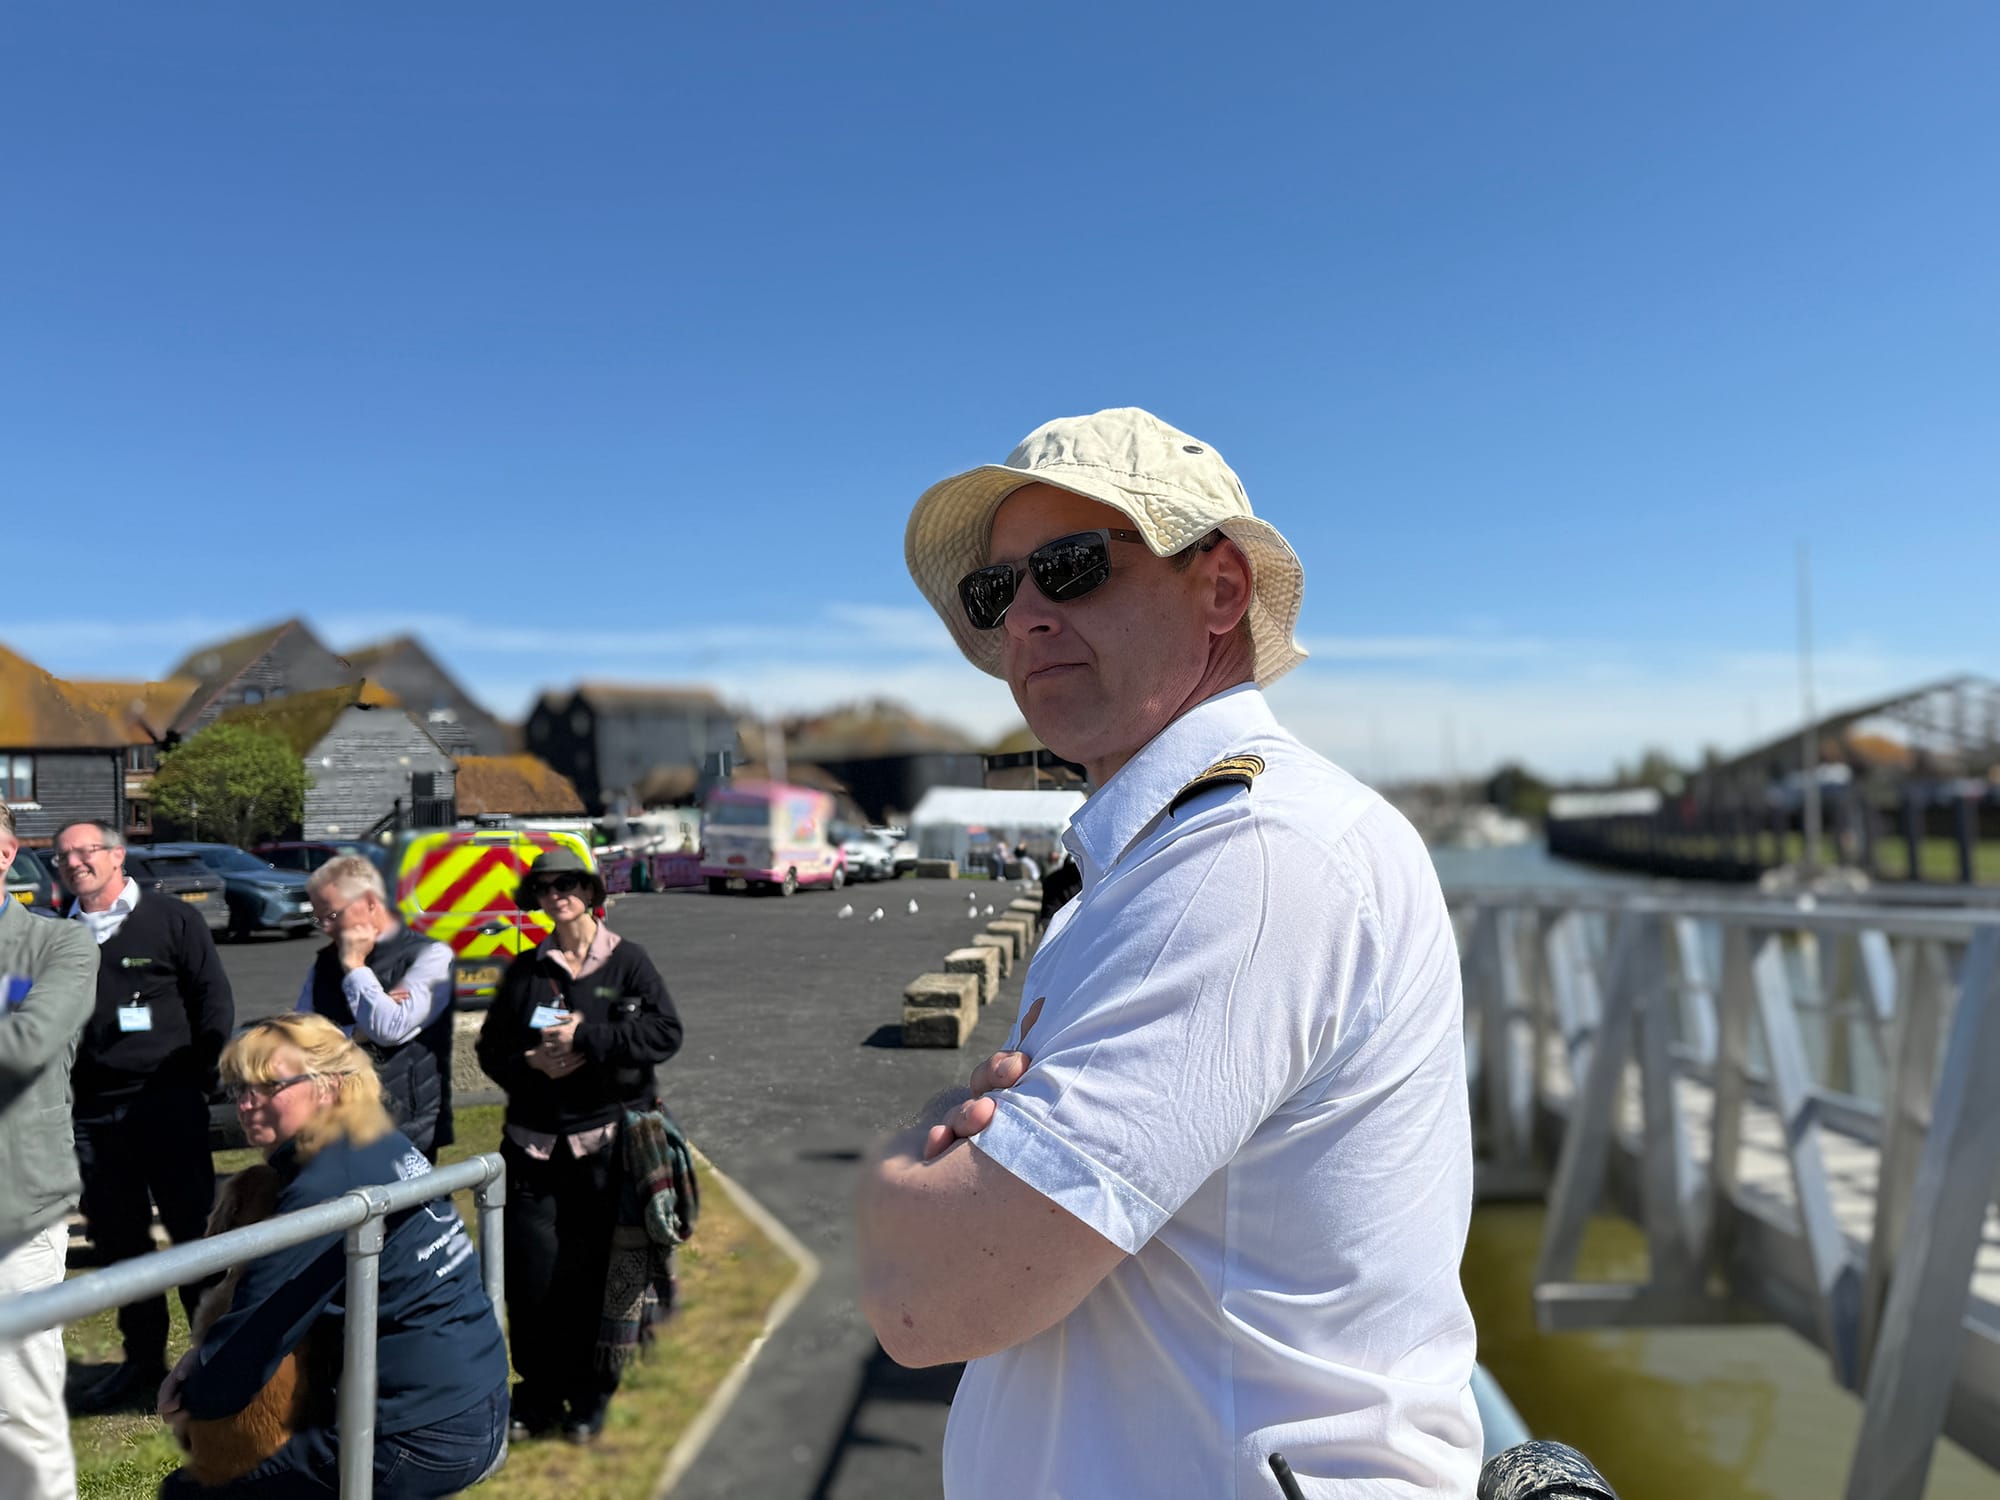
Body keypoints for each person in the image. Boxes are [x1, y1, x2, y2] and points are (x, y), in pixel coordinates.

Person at [860, 407, 1481, 1496]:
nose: (1028, 616)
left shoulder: (1247, 858)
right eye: (999, 590)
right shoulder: (1177, 851)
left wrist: (900, 1162)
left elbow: (929, 1299)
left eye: (1072, 567)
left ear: (1221, 589)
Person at [156, 1013, 510, 1498]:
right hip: (477, 1402)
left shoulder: (325, 1185)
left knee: (190, 1492)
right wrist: (205, 1360)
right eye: (238, 1088)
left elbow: (252, 1339)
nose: (246, 1103)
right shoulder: (378, 1141)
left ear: (328, 1086)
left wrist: (194, 1391)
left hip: (418, 1437)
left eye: (268, 1086)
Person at [476, 847, 684, 1445]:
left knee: (598, 1277)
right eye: (545, 887)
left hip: (606, 1151)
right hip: (532, 1154)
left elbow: (665, 1033)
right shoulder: (525, 971)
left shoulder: (629, 962)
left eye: (568, 883)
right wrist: (531, 1063)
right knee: (533, 1282)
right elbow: (490, 1051)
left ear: (590, 892)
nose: (557, 894)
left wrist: (589, 1038)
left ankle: (593, 1398)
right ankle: (540, 1397)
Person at [54, 818, 235, 1414]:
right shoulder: (60, 935)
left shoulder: (172, 920)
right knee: (119, 1240)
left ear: (117, 855)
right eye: (63, 856)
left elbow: (213, 1001)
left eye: (85, 851)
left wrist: (199, 1079)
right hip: (92, 1116)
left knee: (193, 1234)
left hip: (166, 1105)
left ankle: (214, 1360)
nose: (74, 863)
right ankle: (142, 1362)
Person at [0, 804, 98, 1500]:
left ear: (4, 855)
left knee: (19, 1407)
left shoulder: (59, 945)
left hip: (15, 1215)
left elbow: (26, 1045)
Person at [296, 855, 455, 1159]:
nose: (326, 928)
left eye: (332, 915)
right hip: (339, 1123)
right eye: (319, 919)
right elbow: (300, 1036)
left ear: (370, 902)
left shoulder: (430, 956)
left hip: (405, 1128)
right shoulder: (324, 963)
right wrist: (355, 1033)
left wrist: (355, 967)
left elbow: (388, 1029)